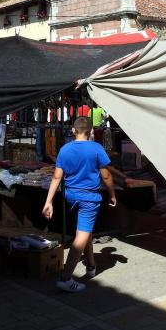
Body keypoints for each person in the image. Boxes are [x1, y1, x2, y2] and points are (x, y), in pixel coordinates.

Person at [42, 116, 116, 293]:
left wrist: (48, 201)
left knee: (83, 231)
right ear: (91, 131)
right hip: (89, 197)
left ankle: (91, 265)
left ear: (74, 131)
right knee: (82, 236)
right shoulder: (96, 148)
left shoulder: (65, 149)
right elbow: (106, 176)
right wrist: (112, 194)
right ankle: (66, 278)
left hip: (71, 196)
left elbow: (57, 177)